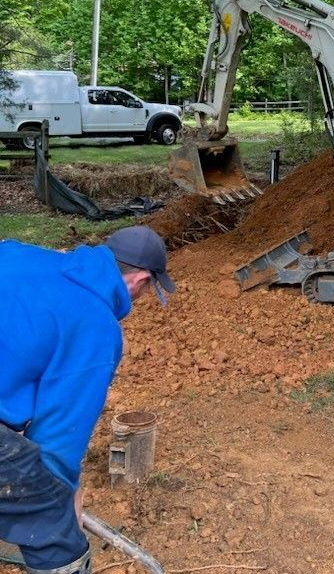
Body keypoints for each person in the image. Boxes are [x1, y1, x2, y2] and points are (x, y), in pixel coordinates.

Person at [0, 226, 175, 574]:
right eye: (147, 291)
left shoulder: (16, 252)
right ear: (139, 281)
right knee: (54, 530)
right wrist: (63, 497)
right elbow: (59, 439)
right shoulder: (95, 326)